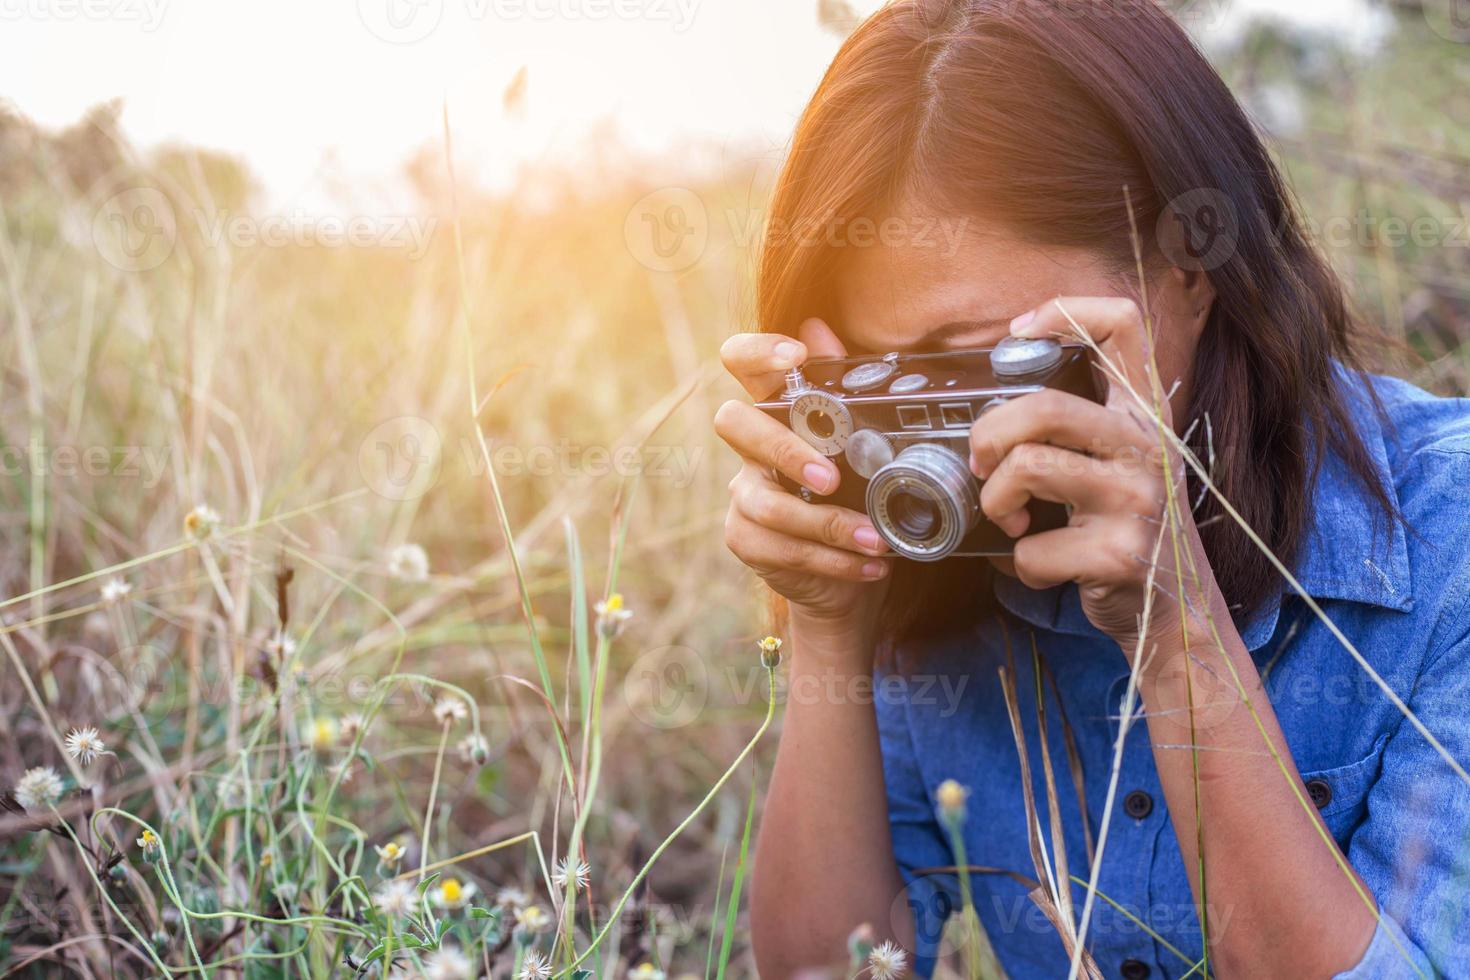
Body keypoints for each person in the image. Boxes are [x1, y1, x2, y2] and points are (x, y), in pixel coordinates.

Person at [714, 0, 1470, 976]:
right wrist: (827, 623)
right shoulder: (927, 539)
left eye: (987, 363)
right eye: (890, 383)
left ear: (1192, 272)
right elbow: (838, 968)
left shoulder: (1448, 535)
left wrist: (1175, 631)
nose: (951, 441)